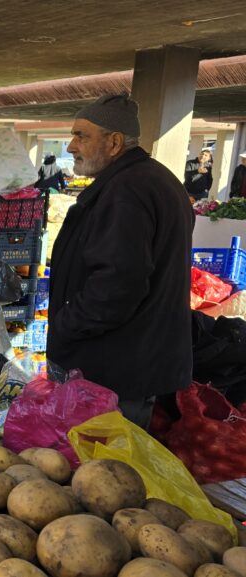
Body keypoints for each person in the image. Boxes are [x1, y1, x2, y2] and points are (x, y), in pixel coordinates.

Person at [48, 93, 193, 430]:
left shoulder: (127, 190)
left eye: (81, 136)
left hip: (113, 368)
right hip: (130, 361)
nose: (70, 146)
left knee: (101, 472)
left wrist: (66, 326)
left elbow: (117, 285)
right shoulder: (151, 179)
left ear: (114, 143)